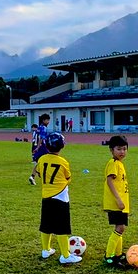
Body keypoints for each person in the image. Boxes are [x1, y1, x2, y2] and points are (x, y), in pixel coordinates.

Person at [34, 131, 81, 264]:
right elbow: (68, 178)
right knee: (62, 227)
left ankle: (45, 250)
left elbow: (38, 173)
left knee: (46, 224)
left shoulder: (41, 159)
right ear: (62, 146)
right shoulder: (63, 162)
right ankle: (65, 256)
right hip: (60, 197)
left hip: (46, 196)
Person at [102, 135, 131, 267]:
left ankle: (118, 253)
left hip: (121, 203)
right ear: (111, 150)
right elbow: (109, 181)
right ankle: (109, 256)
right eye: (119, 149)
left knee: (120, 227)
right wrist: (118, 199)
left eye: (124, 149)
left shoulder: (119, 164)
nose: (122, 152)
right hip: (116, 203)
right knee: (120, 227)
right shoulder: (113, 163)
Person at [28, 113, 52, 185]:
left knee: (40, 162)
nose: (48, 122)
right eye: (47, 120)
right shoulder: (44, 128)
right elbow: (41, 138)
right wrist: (38, 147)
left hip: (39, 146)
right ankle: (41, 174)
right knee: (47, 161)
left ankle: (34, 175)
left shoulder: (39, 127)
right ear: (43, 120)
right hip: (43, 147)